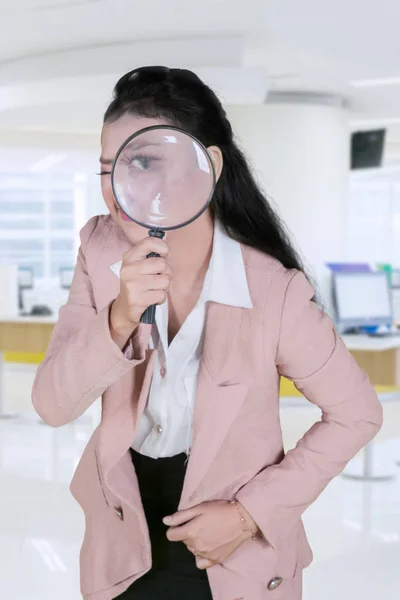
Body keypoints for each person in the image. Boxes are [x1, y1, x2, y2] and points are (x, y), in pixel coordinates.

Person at [32, 66, 383, 600]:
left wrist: (248, 515)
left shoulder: (272, 290)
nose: (115, 192)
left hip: (230, 550)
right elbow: (52, 406)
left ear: (208, 166)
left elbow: (357, 413)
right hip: (123, 539)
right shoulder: (99, 250)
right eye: (107, 170)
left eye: (143, 163)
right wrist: (120, 317)